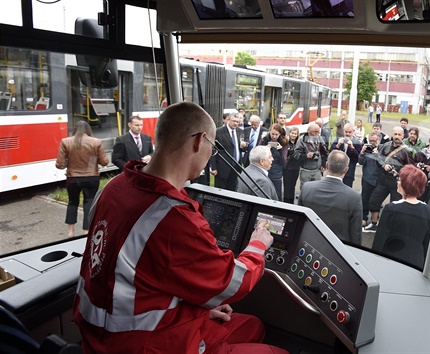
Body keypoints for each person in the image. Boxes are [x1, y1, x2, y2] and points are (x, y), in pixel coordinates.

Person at [72, 102, 287, 354]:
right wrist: (258, 245)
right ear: (199, 142)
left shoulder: (114, 187)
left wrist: (196, 308)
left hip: (103, 334)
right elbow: (231, 283)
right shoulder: (173, 217)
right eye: (213, 148)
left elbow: (138, 275)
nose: (210, 155)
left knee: (252, 325)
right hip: (146, 343)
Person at [55, 120, 109, 238]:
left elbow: (59, 164)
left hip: (72, 178)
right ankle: (86, 231)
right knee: (89, 203)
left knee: (72, 202)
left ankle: (71, 231)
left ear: (75, 129)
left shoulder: (66, 141)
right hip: (92, 177)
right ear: (88, 129)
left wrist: (68, 163)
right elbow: (104, 162)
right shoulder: (96, 142)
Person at [372, 165, 430, 269]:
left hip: (391, 260)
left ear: (406, 185)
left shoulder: (391, 208)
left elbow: (380, 240)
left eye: (400, 180)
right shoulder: (428, 210)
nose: (397, 182)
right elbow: (427, 242)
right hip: (416, 261)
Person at [298, 150, 362, 244]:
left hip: (309, 242)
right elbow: (355, 233)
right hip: (338, 248)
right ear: (346, 170)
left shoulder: (307, 188)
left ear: (327, 165)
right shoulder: (354, 197)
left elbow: (299, 221)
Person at [364, 127, 414, 233]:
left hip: (397, 183)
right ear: (392, 134)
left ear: (403, 136)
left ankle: (392, 229)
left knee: (395, 207)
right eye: (395, 134)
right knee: (373, 201)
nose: (396, 136)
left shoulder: (406, 151)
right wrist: (384, 165)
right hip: (383, 180)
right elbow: (379, 158)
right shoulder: (385, 146)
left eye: (399, 135)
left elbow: (411, 168)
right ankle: (374, 224)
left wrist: (398, 173)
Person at [210, 112, 247, 191]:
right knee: (220, 192)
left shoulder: (240, 132)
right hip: (222, 167)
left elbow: (241, 149)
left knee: (232, 191)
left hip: (235, 167)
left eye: (237, 122)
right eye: (233, 121)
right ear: (228, 120)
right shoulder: (218, 132)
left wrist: (244, 146)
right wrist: (213, 167)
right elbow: (213, 150)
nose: (235, 123)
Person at [293, 122, 328, 188]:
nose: (318, 134)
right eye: (316, 132)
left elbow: (324, 153)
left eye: (318, 132)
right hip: (306, 171)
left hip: (317, 170)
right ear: (310, 132)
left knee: (316, 189)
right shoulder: (301, 140)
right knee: (305, 189)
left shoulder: (319, 138)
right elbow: (296, 155)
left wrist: (323, 165)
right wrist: (306, 156)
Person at [359, 132, 381, 225]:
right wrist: (362, 152)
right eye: (371, 141)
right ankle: (364, 217)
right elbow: (360, 162)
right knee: (365, 199)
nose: (372, 143)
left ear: (378, 140)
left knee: (376, 200)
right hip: (367, 178)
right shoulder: (366, 149)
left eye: (374, 141)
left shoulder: (382, 149)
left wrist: (378, 156)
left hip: (379, 179)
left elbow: (385, 164)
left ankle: (375, 218)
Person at [331, 123, 362, 187]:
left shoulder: (357, 142)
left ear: (353, 132)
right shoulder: (338, 140)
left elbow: (358, 158)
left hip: (349, 172)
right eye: (346, 132)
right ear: (343, 131)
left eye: (349, 132)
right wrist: (338, 145)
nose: (347, 134)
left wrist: (352, 148)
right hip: (336, 171)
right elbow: (331, 153)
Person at [260, 124, 286, 199]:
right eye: (272, 134)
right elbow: (258, 155)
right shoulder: (264, 140)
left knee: (277, 197)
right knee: (264, 195)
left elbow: (284, 162)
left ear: (280, 134)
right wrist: (265, 149)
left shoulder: (283, 142)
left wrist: (281, 150)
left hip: (276, 174)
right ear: (269, 132)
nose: (274, 136)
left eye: (276, 134)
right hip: (265, 172)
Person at [283, 127, 301, 203]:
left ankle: (291, 202)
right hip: (287, 168)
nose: (293, 135)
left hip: (296, 167)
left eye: (295, 134)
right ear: (289, 133)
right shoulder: (286, 142)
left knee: (292, 186)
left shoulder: (298, 143)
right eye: (292, 133)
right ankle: (286, 202)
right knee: (287, 186)